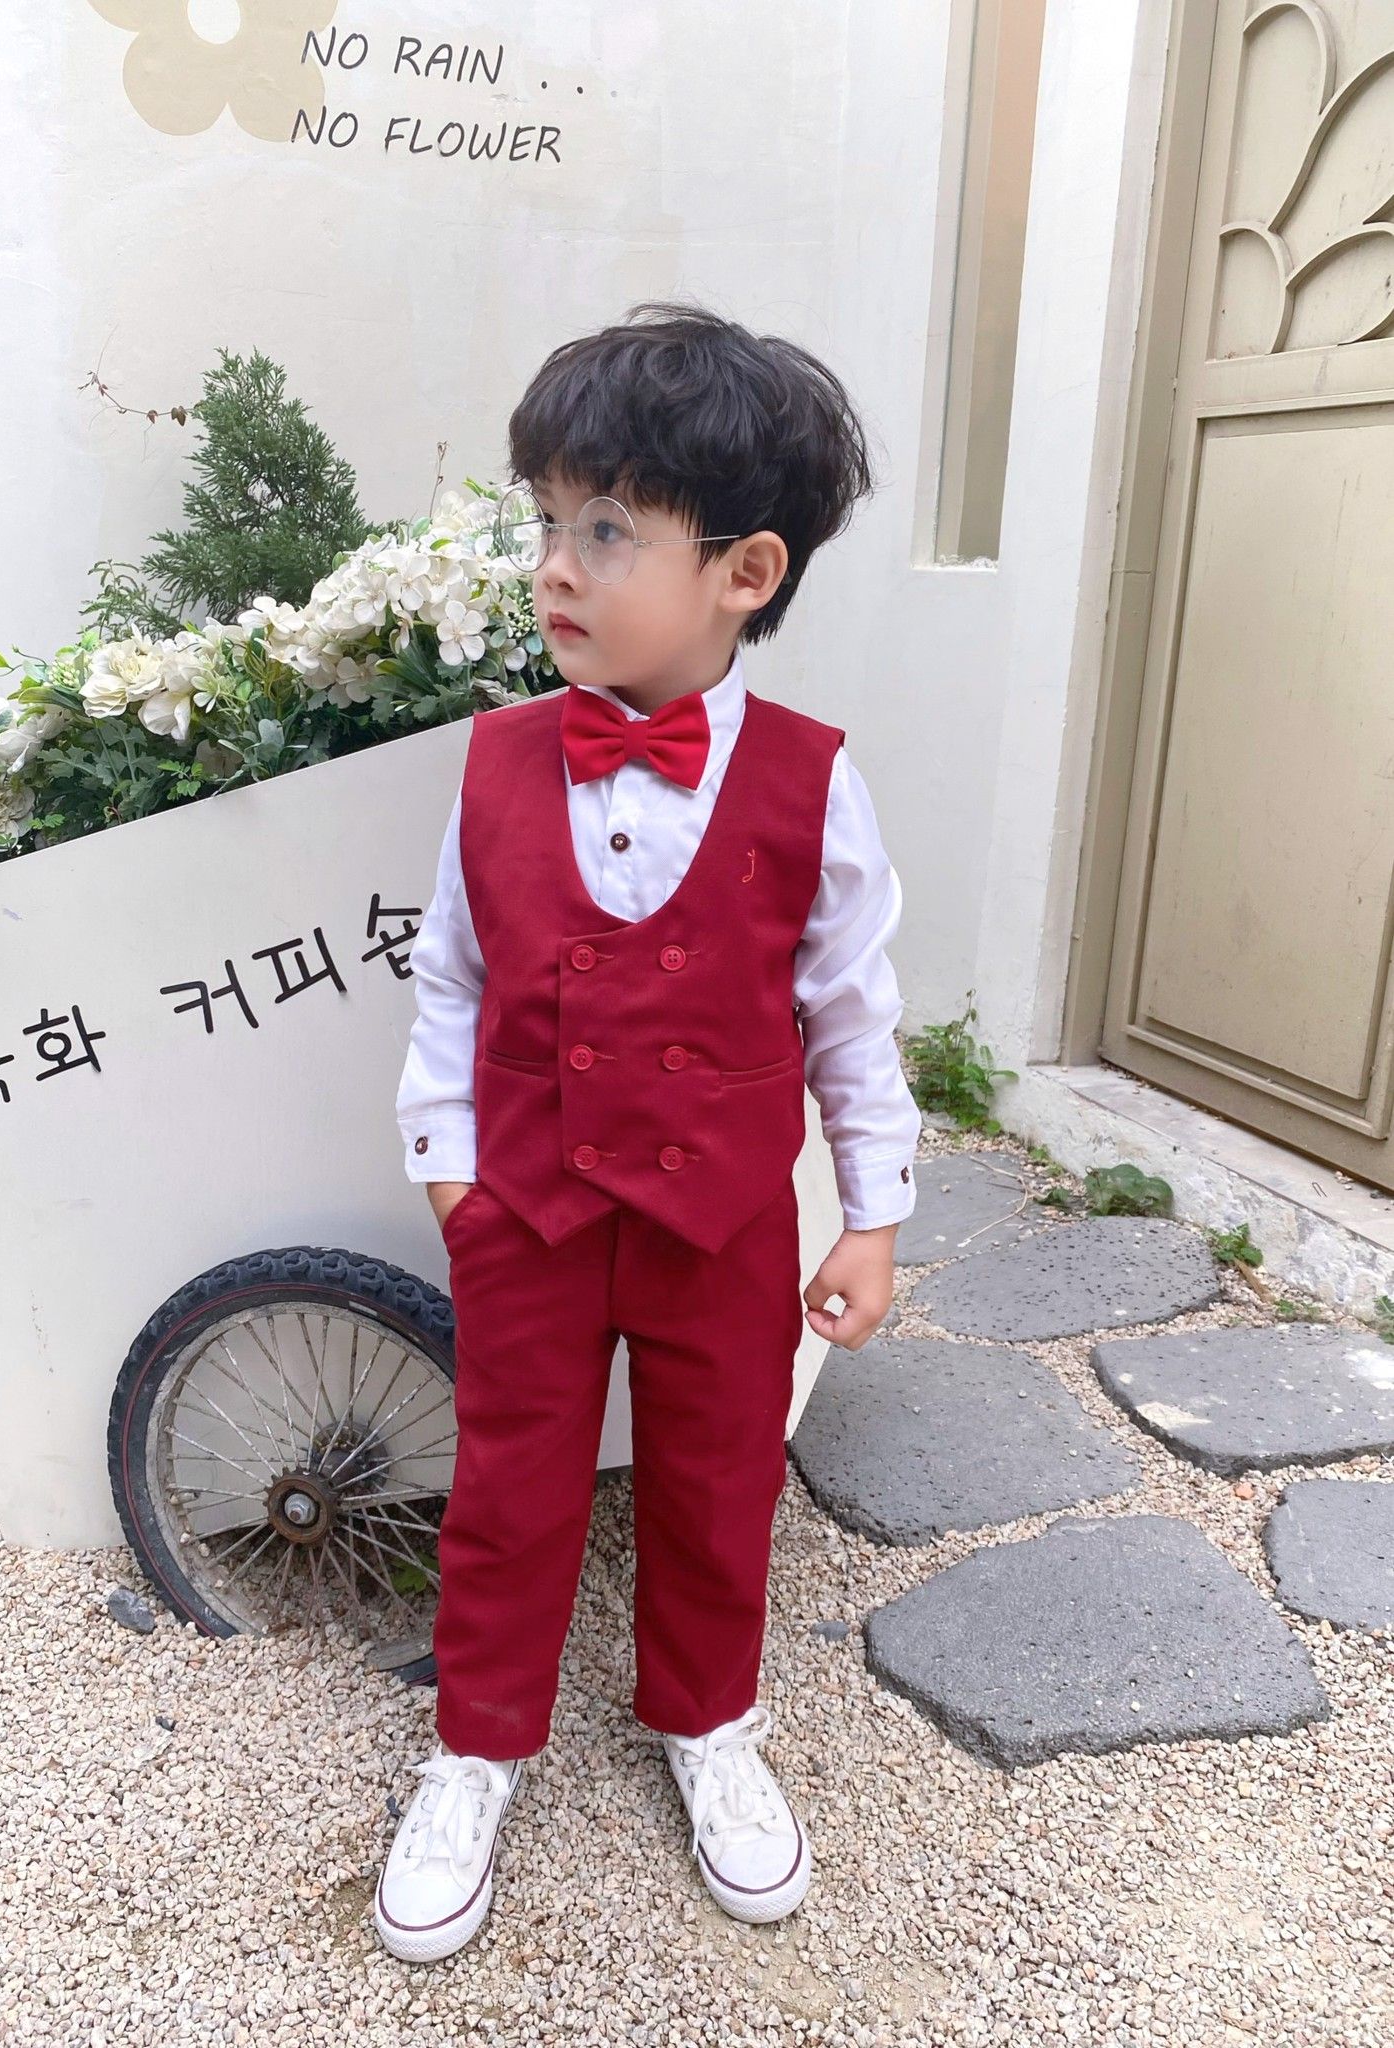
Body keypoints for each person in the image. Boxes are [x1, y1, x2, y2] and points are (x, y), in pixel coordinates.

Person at [378, 302, 922, 1963]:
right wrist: (449, 1167)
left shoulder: (812, 781)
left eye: (608, 529)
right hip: (528, 1214)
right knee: (509, 1485)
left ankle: (708, 1719)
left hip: (725, 1222)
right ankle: (476, 1746)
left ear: (744, 572)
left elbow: (851, 1011)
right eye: (548, 519)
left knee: (714, 1479)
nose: (556, 565)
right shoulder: (492, 764)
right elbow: (449, 977)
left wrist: (871, 1214)